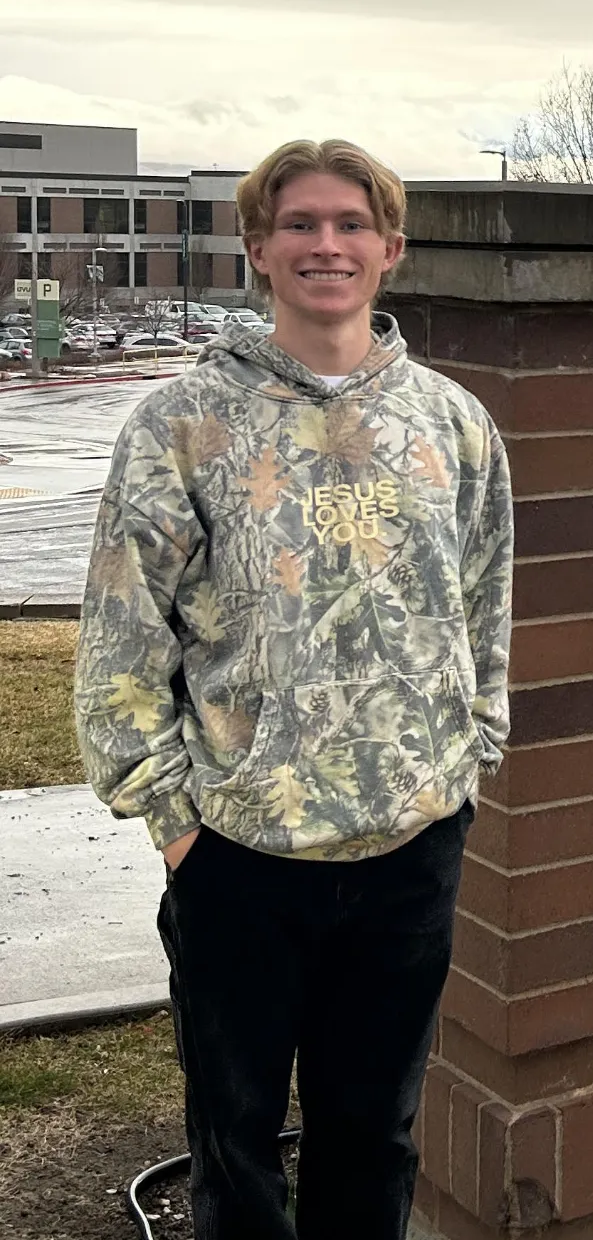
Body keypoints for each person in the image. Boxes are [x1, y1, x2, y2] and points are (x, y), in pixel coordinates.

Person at [75, 139, 512, 1239]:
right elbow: (124, 642)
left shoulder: (453, 426)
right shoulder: (182, 426)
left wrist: (468, 766)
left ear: (391, 250)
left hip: (409, 850)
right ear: (259, 248)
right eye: (303, 224)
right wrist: (177, 825)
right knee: (237, 1146)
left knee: (376, 1141)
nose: (329, 244)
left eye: (353, 224)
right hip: (239, 860)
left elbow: (485, 606)